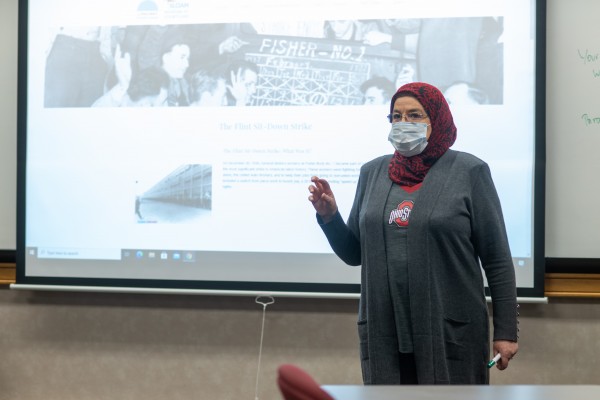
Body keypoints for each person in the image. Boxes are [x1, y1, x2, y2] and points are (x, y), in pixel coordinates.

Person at [307, 82, 518, 385]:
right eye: (396, 116)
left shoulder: (469, 172)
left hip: (450, 331)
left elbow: (497, 259)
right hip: (386, 332)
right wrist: (329, 217)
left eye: (415, 115)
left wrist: (506, 332)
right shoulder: (372, 173)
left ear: (437, 118)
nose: (403, 124)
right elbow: (355, 254)